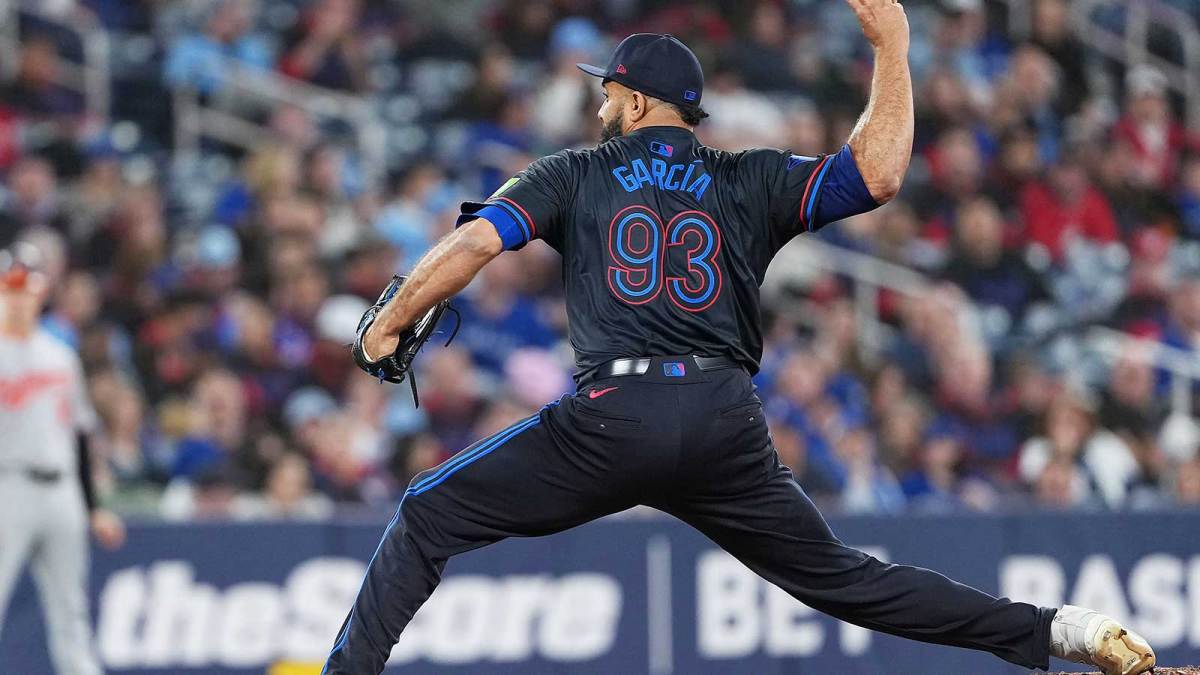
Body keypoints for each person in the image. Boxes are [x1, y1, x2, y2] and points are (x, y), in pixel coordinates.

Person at [324, 3, 1155, 674]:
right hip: (723, 417)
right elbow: (880, 173)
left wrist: (388, 322)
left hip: (613, 416)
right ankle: (1061, 630)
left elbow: (475, 241)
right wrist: (892, 47)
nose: (600, 107)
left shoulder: (572, 171)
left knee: (427, 514)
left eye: (608, 93)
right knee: (850, 580)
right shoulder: (747, 176)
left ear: (636, 101)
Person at [0, 243, 126, 675]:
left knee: (72, 610)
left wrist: (93, 506)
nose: (20, 299)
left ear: (40, 294)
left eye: (27, 290)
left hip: (63, 491)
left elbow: (79, 435)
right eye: (11, 289)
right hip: (8, 487)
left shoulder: (60, 355)